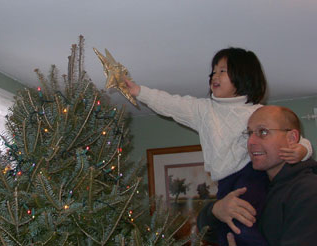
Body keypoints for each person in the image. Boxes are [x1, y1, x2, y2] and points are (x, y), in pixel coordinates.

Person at [124, 47, 313, 245]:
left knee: (243, 225)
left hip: (250, 175)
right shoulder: (204, 111)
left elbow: (294, 137)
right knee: (223, 231)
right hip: (223, 183)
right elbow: (172, 104)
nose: (215, 75)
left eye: (223, 71)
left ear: (244, 76)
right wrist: (139, 92)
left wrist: (303, 150)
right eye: (213, 71)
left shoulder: (257, 112)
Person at [204, 105, 317, 246]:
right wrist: (216, 210)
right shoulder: (253, 183)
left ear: (292, 138)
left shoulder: (308, 190)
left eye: (263, 132)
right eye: (249, 133)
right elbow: (208, 231)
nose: (251, 141)